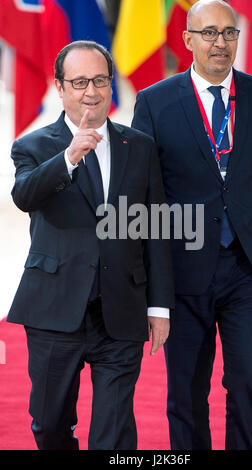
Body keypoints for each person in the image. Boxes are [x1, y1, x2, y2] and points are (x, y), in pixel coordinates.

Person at [132, 0, 252, 450]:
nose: (219, 42)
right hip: (184, 274)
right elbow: (146, 197)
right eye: (208, 33)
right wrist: (150, 281)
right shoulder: (154, 103)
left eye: (228, 32)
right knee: (185, 393)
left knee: (248, 383)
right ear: (188, 40)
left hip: (249, 269)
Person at [7, 40, 174, 451]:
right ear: (60, 88)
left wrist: (159, 306)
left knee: (113, 437)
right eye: (80, 82)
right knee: (49, 427)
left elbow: (155, 228)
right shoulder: (33, 146)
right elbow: (24, 196)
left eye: (100, 80)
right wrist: (68, 157)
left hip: (120, 313)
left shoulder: (139, 147)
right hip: (53, 312)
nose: (92, 91)